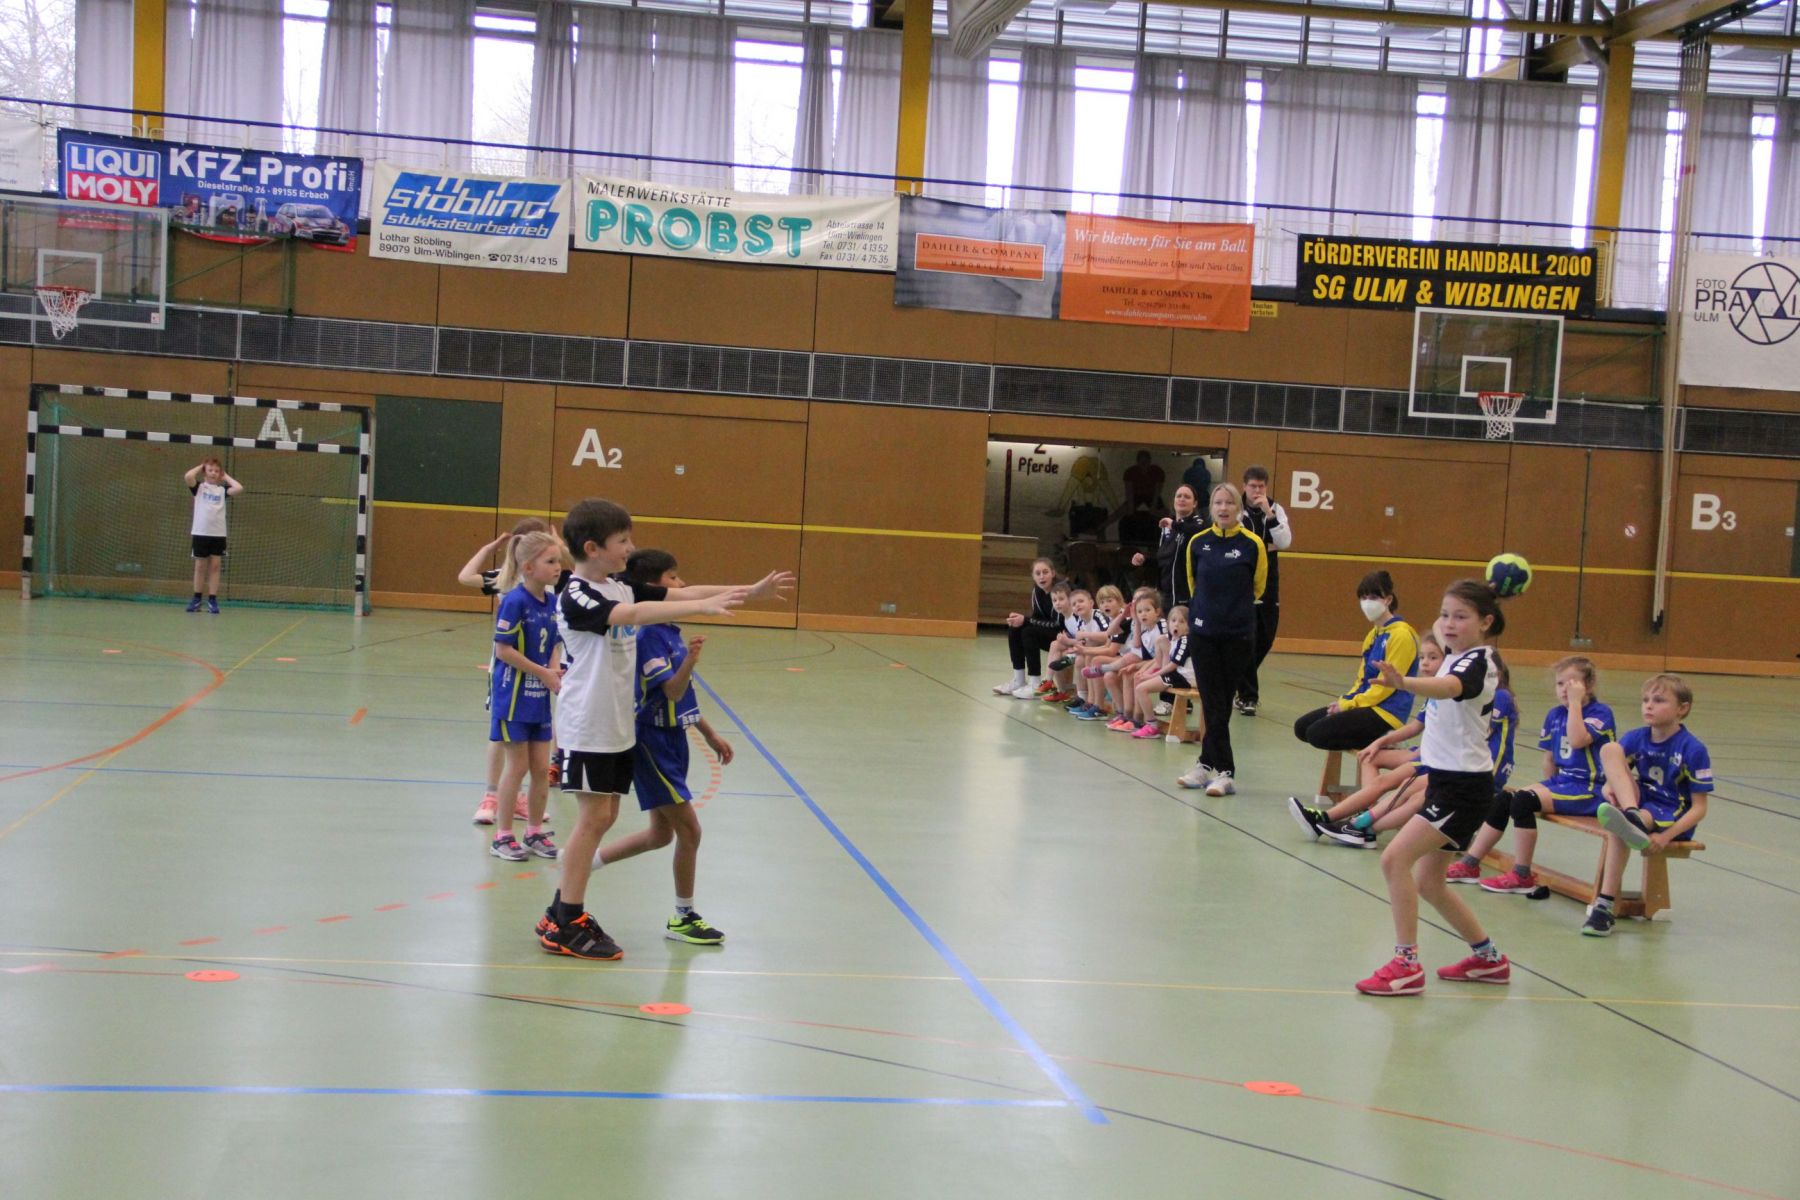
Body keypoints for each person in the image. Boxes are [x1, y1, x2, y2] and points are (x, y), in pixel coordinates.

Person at [534, 498, 793, 961]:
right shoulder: (578, 594)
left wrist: (748, 592)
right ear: (593, 548)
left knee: (605, 818)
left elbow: (680, 594)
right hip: (587, 724)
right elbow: (630, 616)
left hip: (617, 725)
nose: (629, 548)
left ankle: (559, 911)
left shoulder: (618, 585)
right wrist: (705, 607)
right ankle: (566, 921)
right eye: (622, 541)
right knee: (593, 819)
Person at [1355, 579, 1513, 997]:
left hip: (1463, 789)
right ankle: (1489, 959)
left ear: (1486, 622)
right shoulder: (1454, 656)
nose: (1449, 623)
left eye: (1461, 617)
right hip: (1447, 782)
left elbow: (1450, 689)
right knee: (1428, 882)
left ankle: (1406, 965)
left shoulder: (1478, 663)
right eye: (1445, 615)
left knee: (1394, 860)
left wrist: (1404, 683)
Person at [587, 549, 737, 946]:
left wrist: (708, 732)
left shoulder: (669, 629)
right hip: (651, 742)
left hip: (674, 739)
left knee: (660, 835)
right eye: (673, 578)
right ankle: (683, 917)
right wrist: (690, 661)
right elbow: (671, 690)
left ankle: (582, 864)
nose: (681, 585)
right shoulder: (650, 634)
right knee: (690, 830)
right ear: (654, 587)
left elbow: (683, 697)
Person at [1450, 656, 1617, 893]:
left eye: (1572, 684)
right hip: (1563, 783)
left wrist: (1575, 704)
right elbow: (1549, 758)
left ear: (1588, 686)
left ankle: (1522, 875)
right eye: (1560, 684)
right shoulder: (1555, 714)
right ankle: (1470, 863)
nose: (1565, 690)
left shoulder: (1600, 712)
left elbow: (1578, 740)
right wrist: (1547, 788)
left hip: (1590, 789)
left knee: (1523, 801)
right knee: (1505, 799)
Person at [1582, 674, 1712, 936]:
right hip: (1639, 802)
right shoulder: (1637, 737)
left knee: (1618, 828)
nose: (1649, 706)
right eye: (1645, 700)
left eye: (1659, 700)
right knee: (1610, 750)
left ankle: (1604, 907)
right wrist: (1609, 790)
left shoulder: (1693, 748)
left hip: (1671, 813)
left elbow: (1699, 808)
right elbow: (1612, 778)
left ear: (1682, 709)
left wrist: (1665, 837)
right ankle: (1632, 816)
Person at [1288, 633, 1445, 843]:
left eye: (1433, 657)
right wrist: (1379, 742)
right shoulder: (1433, 694)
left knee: (1400, 787)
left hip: (1439, 761)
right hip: (1425, 754)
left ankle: (1356, 824)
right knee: (1369, 756)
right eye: (1422, 657)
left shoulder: (1452, 694)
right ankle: (1361, 811)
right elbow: (1416, 726)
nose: (1424, 663)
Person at [1175, 483, 1266, 797]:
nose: (1223, 508)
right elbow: (1192, 583)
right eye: (1218, 503)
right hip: (1203, 634)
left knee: (1221, 703)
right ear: (1210, 508)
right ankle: (1215, 768)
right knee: (1213, 702)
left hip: (1237, 635)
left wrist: (1232, 612)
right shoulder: (1198, 543)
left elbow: (1258, 586)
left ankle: (1215, 767)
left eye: (1229, 503)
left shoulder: (1252, 544)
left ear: (1238, 508)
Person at [461, 518, 554, 827]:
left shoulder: (550, 585)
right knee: (502, 735)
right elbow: (465, 577)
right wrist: (490, 547)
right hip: (508, 671)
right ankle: (492, 795)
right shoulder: (506, 579)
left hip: (538, 671)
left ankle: (517, 799)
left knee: (532, 749)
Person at [485, 531, 565, 863]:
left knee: (540, 768)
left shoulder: (553, 602)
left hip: (538, 698)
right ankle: (503, 836)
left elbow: (554, 644)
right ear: (528, 567)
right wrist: (542, 672)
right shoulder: (515, 601)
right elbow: (503, 650)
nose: (558, 567)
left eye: (559, 561)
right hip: (513, 697)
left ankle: (533, 832)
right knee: (516, 767)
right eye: (551, 561)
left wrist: (555, 672)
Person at [1292, 571, 1420, 756]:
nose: (1368, 603)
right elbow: (1362, 680)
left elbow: (1385, 687)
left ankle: (1388, 739)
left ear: (1388, 599)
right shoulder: (1373, 635)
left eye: (1374, 597)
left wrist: (1348, 706)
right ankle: (1372, 739)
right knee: (1302, 727)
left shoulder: (1401, 635)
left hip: (1386, 713)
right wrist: (1345, 701)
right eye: (1363, 598)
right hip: (1367, 706)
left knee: (1317, 734)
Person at [1234, 465, 1292, 717]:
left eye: (1261, 486)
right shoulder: (1236, 510)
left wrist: (1269, 515)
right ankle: (1248, 696)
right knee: (1248, 638)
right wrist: (1262, 546)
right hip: (1243, 581)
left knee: (1266, 637)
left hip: (1269, 581)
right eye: (1253, 486)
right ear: (1244, 486)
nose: (1257, 491)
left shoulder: (1275, 509)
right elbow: (1237, 542)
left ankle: (1238, 677)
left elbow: (1284, 542)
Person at [1131, 484, 1204, 616]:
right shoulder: (1168, 528)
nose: (1182, 499)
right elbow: (1164, 560)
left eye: (1187, 497)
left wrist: (1174, 524)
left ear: (1195, 503)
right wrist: (1144, 560)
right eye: (1178, 496)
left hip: (1186, 595)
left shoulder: (1197, 523)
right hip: (1166, 594)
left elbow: (1197, 530)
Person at [993, 557, 1059, 700]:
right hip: (1049, 633)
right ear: (1033, 576)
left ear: (1053, 573)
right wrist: (1020, 620)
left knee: (1029, 631)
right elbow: (1036, 618)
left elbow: (1057, 624)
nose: (1042, 577)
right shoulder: (1037, 592)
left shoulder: (1059, 592)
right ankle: (1019, 680)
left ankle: (1035, 683)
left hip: (1062, 636)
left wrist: (1026, 620)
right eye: (1038, 573)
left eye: (1045, 572)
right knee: (1015, 628)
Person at [183, 457, 242, 613]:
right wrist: (201, 466)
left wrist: (225, 476)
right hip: (201, 532)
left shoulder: (222, 491)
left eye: (216, 471)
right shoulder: (199, 488)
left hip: (218, 534)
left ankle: (212, 599)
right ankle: (197, 598)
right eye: (210, 470)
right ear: (204, 472)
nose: (213, 473)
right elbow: (188, 476)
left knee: (215, 566)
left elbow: (238, 488)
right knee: (200, 566)